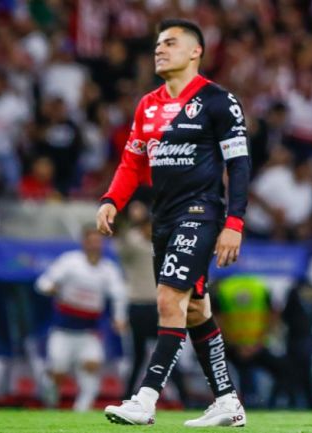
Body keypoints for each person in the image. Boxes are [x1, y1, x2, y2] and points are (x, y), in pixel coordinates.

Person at [97, 19, 251, 427]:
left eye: (170, 43)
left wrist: (234, 222)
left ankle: (144, 399)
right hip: (162, 218)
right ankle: (227, 400)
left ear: (195, 51)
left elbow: (239, 165)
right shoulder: (147, 105)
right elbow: (132, 161)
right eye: (157, 45)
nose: (159, 50)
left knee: (168, 299)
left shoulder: (218, 101)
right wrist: (113, 199)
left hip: (200, 213)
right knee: (196, 309)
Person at [35, 224, 128, 411]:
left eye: (98, 241)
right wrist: (50, 288)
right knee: (58, 371)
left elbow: (119, 295)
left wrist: (119, 318)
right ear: (84, 242)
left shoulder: (108, 269)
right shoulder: (70, 262)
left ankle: (82, 410)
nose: (95, 245)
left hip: (90, 331)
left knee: (92, 366)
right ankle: (50, 399)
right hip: (63, 330)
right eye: (91, 241)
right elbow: (42, 283)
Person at [115, 200, 188, 403]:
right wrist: (133, 221)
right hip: (138, 305)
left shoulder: (164, 242)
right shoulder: (131, 240)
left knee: (167, 351)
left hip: (160, 305)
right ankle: (127, 398)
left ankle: (184, 397)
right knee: (138, 357)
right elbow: (121, 240)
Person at [212, 274, 286, 408]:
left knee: (235, 373)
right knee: (282, 370)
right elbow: (273, 316)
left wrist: (241, 345)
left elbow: (216, 321)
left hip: (238, 346)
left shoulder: (223, 289)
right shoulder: (260, 287)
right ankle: (270, 404)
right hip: (249, 346)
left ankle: (255, 404)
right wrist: (258, 343)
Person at [281, 278, 312, 409]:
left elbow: (286, 315)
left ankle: (294, 402)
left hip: (295, 339)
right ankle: (310, 403)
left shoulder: (294, 291)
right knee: (307, 374)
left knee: (294, 374)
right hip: (308, 338)